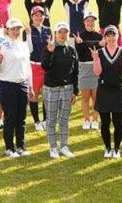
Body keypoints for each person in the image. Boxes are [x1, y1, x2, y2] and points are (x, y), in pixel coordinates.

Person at [0, 18, 33, 158]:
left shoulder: (23, 45)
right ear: (7, 30)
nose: (16, 31)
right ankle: (9, 148)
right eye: (13, 29)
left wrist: (31, 86)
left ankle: (21, 146)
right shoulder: (2, 46)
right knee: (10, 117)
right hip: (7, 84)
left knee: (21, 118)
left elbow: (28, 67)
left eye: (18, 29)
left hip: (22, 84)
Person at [92, 25, 122, 159]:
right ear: (104, 37)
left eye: (113, 34)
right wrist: (96, 60)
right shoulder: (99, 52)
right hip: (104, 91)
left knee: (117, 122)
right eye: (108, 35)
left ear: (117, 36)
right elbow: (97, 73)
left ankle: (117, 148)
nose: (111, 37)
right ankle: (108, 148)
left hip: (117, 91)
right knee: (104, 122)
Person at [42, 22, 79, 159]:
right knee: (51, 120)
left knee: (64, 120)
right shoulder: (49, 48)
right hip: (52, 89)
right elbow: (45, 66)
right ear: (55, 34)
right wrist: (50, 52)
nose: (63, 35)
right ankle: (53, 147)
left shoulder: (71, 51)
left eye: (65, 32)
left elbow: (75, 73)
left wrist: (75, 91)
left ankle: (64, 146)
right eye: (60, 32)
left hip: (67, 89)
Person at [74, 11, 105, 130]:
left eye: (92, 20)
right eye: (88, 20)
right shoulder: (80, 36)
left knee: (96, 97)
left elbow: (101, 55)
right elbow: (80, 55)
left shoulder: (99, 37)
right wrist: (78, 44)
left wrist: (102, 46)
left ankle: (95, 120)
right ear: (84, 22)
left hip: (96, 68)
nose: (90, 23)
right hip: (84, 68)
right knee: (86, 97)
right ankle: (87, 120)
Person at [25, 6, 52, 131]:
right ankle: (37, 121)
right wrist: (29, 34)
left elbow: (51, 49)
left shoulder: (48, 30)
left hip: (46, 66)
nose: (38, 17)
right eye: (36, 15)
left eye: (40, 15)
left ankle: (46, 120)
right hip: (34, 66)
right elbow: (29, 49)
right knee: (34, 94)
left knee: (46, 94)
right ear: (32, 17)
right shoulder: (27, 31)